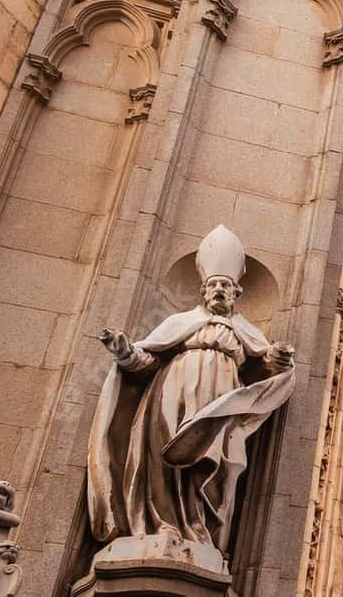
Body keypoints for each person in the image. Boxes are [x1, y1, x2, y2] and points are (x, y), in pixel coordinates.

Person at [87, 225, 295, 557]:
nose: (218, 290)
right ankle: (162, 523)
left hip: (221, 403)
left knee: (217, 465)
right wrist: (124, 351)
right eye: (213, 285)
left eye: (225, 285)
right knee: (164, 456)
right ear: (203, 290)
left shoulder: (246, 332)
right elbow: (147, 361)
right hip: (172, 393)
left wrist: (279, 359)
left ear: (236, 293)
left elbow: (265, 364)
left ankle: (199, 531)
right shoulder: (181, 324)